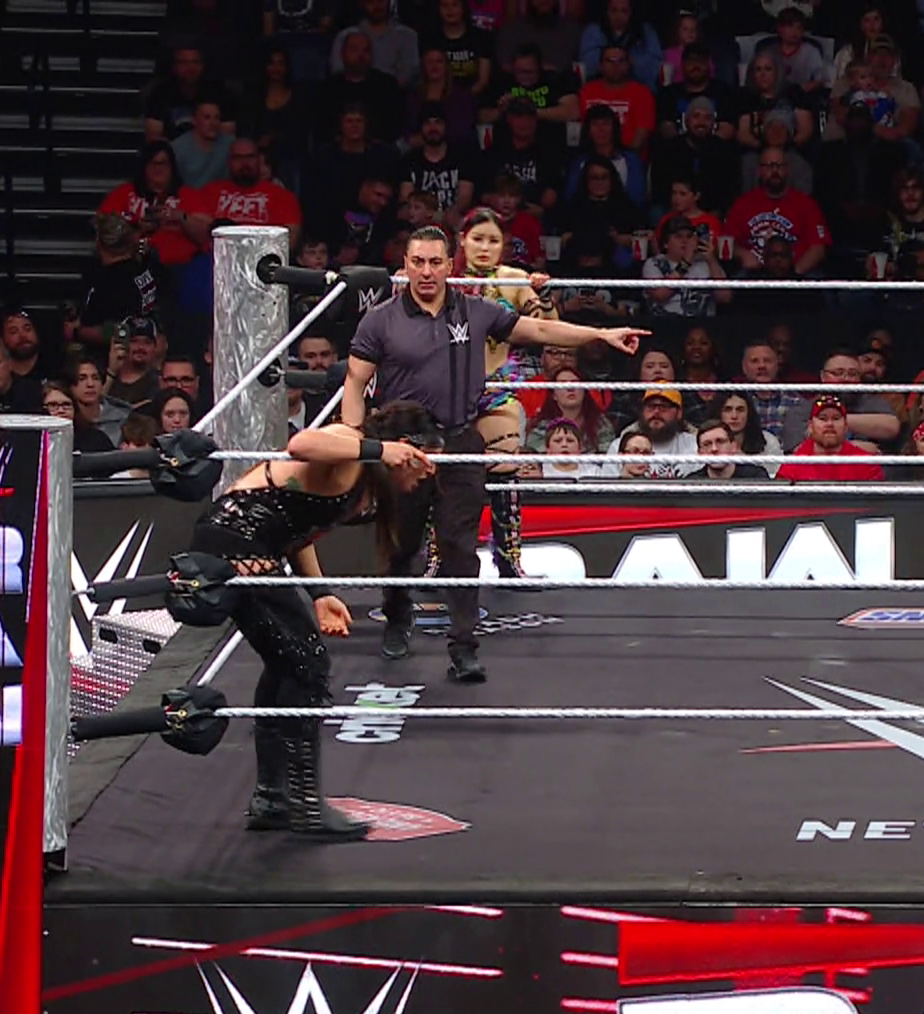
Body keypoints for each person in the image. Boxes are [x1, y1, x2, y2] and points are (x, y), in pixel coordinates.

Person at [341, 224, 645, 682]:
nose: (426, 271)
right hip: (403, 447)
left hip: (460, 442)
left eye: (435, 262)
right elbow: (355, 382)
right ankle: (397, 617)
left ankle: (464, 647)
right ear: (405, 265)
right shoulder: (380, 320)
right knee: (402, 544)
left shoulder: (476, 310)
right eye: (418, 262)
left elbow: (539, 328)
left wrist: (600, 335)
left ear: (450, 265)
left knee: (460, 546)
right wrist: (357, 445)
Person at [186, 401, 441, 840]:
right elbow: (301, 443)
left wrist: (320, 593)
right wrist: (380, 450)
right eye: (428, 459)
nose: (428, 473)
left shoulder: (362, 478)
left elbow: (296, 527)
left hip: (248, 544)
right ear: (406, 449)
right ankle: (303, 803)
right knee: (308, 663)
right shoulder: (351, 445)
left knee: (287, 663)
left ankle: (273, 796)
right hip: (235, 541)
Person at [457, 207, 559, 582]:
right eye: (478, 239)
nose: (485, 248)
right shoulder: (443, 277)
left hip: (496, 386)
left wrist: (544, 295)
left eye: (493, 241)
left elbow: (550, 330)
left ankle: (509, 561)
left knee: (504, 471)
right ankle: (438, 560)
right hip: (447, 390)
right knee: (446, 476)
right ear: (462, 240)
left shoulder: (513, 279)